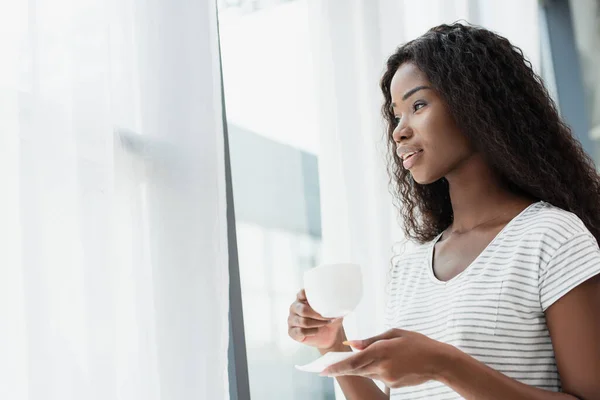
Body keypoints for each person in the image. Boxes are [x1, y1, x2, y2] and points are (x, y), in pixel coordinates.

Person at [287, 23, 600, 399]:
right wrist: (331, 343)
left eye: (418, 105)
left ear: (476, 103)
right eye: (396, 115)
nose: (399, 131)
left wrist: (443, 364)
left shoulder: (553, 237)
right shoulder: (410, 267)